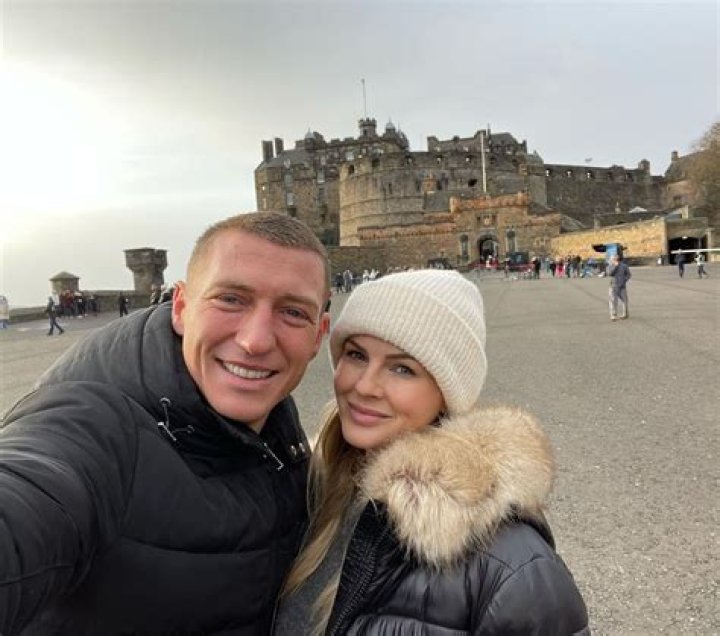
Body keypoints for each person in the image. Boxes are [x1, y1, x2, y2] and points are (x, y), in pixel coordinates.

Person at [0, 212, 331, 634]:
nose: (255, 340)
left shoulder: (282, 436)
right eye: (231, 299)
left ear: (319, 335)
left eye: (293, 312)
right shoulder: (93, 424)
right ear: (180, 307)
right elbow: (30, 492)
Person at [274, 270, 589, 636]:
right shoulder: (308, 490)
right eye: (356, 354)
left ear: (447, 391)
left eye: (402, 368)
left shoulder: (509, 564)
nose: (364, 386)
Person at [608, 253, 631, 321]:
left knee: (625, 300)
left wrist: (624, 280)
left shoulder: (624, 266)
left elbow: (628, 274)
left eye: (613, 259)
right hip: (613, 286)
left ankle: (625, 314)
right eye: (611, 259)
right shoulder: (610, 266)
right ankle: (613, 315)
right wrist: (615, 266)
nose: (611, 260)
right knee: (613, 301)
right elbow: (610, 274)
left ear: (616, 259)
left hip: (622, 286)